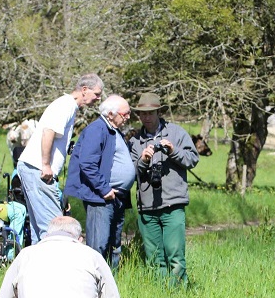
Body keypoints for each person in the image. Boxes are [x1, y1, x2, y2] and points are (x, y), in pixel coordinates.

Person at [16, 74, 104, 244]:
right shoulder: (66, 105)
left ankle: (37, 260)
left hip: (31, 168)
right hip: (38, 169)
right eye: (97, 94)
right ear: (84, 90)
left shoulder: (66, 105)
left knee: (39, 228)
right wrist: (46, 165)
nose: (98, 98)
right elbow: (48, 132)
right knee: (55, 228)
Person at [129, 92, 199, 285]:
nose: (147, 117)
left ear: (159, 112)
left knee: (175, 254)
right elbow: (130, 173)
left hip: (173, 203)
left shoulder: (176, 133)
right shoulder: (135, 141)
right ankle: (159, 292)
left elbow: (193, 159)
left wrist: (173, 151)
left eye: (150, 113)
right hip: (147, 206)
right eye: (143, 114)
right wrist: (143, 160)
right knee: (154, 257)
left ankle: (178, 292)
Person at [64, 95, 135, 270]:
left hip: (117, 197)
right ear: (110, 114)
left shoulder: (114, 131)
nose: (128, 117)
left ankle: (111, 282)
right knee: (98, 245)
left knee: (114, 245)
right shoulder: (97, 130)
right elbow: (87, 163)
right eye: (125, 114)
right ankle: (94, 281)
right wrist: (104, 189)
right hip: (101, 198)